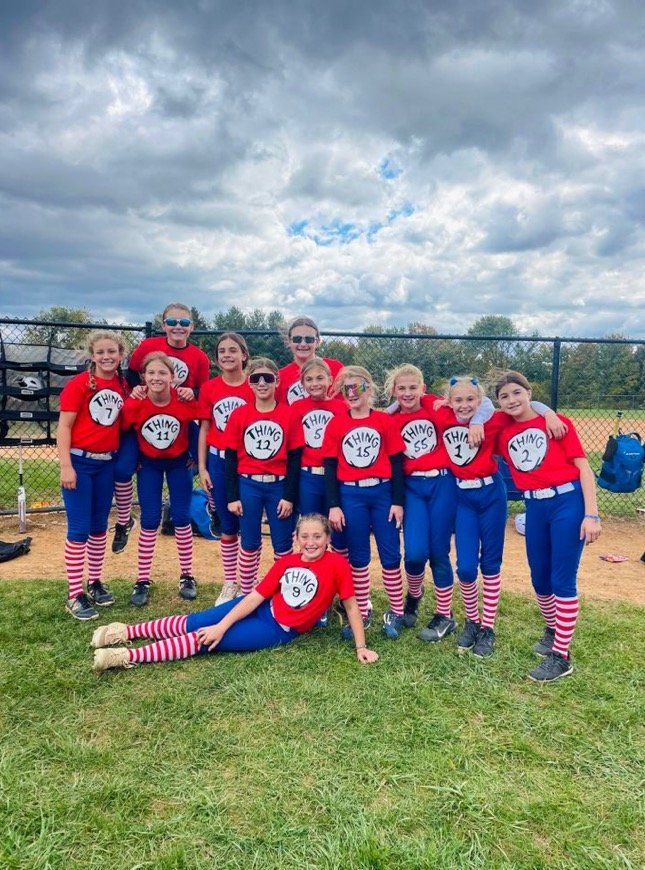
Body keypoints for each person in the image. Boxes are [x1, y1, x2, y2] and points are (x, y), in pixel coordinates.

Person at [92, 514, 379, 672]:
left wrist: (361, 647)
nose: (311, 542)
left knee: (204, 639)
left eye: (317, 536)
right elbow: (255, 597)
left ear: (328, 538)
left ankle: (128, 655)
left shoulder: (337, 565)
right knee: (197, 621)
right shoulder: (288, 561)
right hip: (261, 607)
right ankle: (126, 631)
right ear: (296, 538)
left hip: (278, 628)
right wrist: (222, 623)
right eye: (305, 536)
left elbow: (351, 606)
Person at [436, 376, 565, 659]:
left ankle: (488, 628)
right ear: (449, 401)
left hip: (491, 495)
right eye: (458, 399)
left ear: (480, 400)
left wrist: (550, 413)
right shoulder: (443, 414)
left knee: (490, 563)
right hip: (463, 498)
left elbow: (525, 405)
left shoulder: (493, 419)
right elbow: (409, 404)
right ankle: (472, 620)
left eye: (471, 399)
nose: (464, 405)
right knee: (466, 567)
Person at [495, 371, 601, 682]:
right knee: (539, 577)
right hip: (535, 506)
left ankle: (561, 656)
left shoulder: (556, 423)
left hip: (567, 502)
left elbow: (584, 469)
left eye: (517, 392)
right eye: (504, 396)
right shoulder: (503, 429)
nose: (512, 400)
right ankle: (553, 629)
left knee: (561, 579)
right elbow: (478, 414)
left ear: (529, 393)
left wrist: (592, 514)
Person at [111, 302, 210, 554]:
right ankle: (124, 520)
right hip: (146, 414)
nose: (178, 327)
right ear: (163, 325)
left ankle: (214, 509)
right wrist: (137, 391)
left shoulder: (199, 357)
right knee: (123, 468)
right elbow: (131, 375)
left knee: (205, 460)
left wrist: (193, 392)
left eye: (184, 322)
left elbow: (204, 392)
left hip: (180, 414)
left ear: (191, 326)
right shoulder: (148, 346)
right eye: (172, 322)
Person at [322, 365, 406, 640]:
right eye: (346, 389)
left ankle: (397, 610)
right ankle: (362, 610)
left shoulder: (383, 420)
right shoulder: (337, 423)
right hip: (351, 494)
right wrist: (334, 504)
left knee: (390, 553)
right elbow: (330, 466)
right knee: (358, 555)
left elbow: (396, 462)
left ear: (369, 389)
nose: (352, 393)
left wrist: (397, 501)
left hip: (382, 492)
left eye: (358, 387)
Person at [120, 352, 207, 607]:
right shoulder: (136, 403)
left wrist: (194, 454)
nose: (156, 377)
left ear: (172, 377)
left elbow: (202, 422)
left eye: (162, 373)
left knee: (181, 517)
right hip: (149, 464)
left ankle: (187, 575)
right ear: (143, 377)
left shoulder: (183, 400)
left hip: (179, 463)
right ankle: (142, 579)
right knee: (150, 519)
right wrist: (132, 458)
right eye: (151, 373)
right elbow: (124, 430)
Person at [57, 331, 128, 620]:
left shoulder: (123, 384)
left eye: (112, 351)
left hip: (106, 464)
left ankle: (95, 581)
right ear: (92, 355)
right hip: (80, 462)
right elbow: (64, 426)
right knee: (79, 529)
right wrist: (66, 465)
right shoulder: (79, 385)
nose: (106, 357)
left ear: (121, 355)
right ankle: (74, 594)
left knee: (99, 527)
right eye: (100, 352)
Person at [224, 357, 304, 593]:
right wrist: (232, 496)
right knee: (249, 542)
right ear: (249, 382)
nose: (262, 383)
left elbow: (295, 458)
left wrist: (289, 496)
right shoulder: (240, 415)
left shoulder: (289, 414)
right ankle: (247, 592)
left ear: (277, 382)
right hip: (248, 484)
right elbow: (230, 458)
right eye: (256, 378)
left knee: (282, 544)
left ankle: (282, 592)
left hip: (278, 485)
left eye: (267, 378)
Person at [198, 333, 253, 604]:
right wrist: (202, 467)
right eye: (222, 351)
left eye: (233, 350)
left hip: (249, 461)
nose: (227, 355)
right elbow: (204, 428)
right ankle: (231, 581)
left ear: (244, 355)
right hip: (219, 460)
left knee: (249, 525)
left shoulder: (256, 385)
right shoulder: (210, 388)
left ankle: (249, 582)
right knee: (228, 526)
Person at [292, 358, 349, 559]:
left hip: (337, 476)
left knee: (339, 530)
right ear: (302, 383)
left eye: (320, 378)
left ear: (330, 380)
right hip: (309, 476)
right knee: (311, 530)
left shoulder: (342, 407)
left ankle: (341, 573)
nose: (315, 383)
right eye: (309, 379)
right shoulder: (297, 408)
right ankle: (313, 572)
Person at [276, 316, 343, 405]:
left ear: (317, 342)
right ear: (289, 342)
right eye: (297, 339)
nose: (303, 344)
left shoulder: (336, 368)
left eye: (309, 339)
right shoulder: (281, 376)